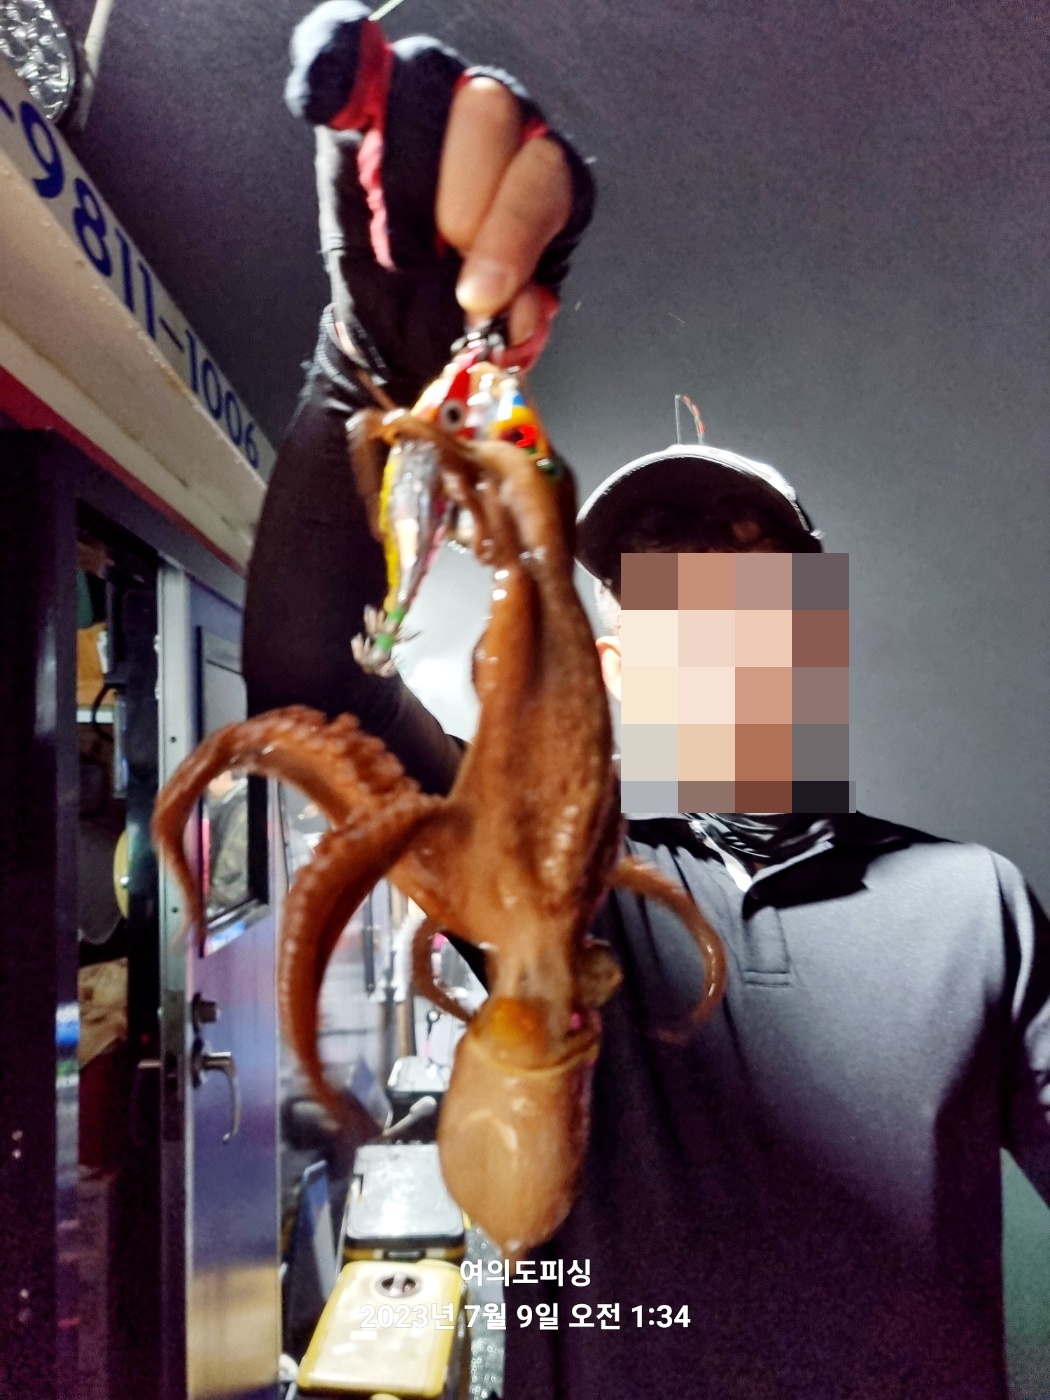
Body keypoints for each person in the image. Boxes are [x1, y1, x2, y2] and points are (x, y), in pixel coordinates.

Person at [243, 7, 1050, 1396]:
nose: (718, 604)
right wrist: (366, 367)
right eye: (665, 580)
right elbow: (311, 683)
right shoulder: (558, 899)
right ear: (616, 661)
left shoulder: (978, 908)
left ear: (822, 625)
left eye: (755, 566)